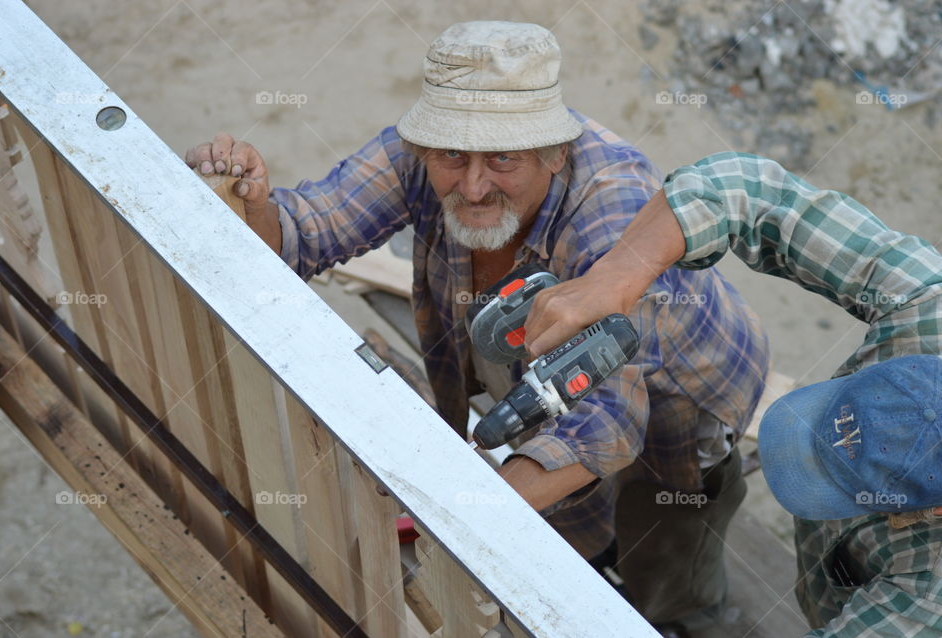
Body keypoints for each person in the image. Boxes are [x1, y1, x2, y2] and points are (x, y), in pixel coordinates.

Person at [185, 23, 769, 635]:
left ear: (556, 152)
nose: (472, 186)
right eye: (452, 156)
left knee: (672, 549)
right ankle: (588, 564)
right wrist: (251, 208)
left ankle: (687, 619)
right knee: (571, 526)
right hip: (559, 381)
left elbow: (607, 421)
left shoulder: (611, 212)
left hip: (685, 388)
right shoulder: (424, 153)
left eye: (504, 160)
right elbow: (310, 230)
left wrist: (473, 513)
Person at [524, 150, 942, 636]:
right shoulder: (929, 314)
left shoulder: (928, 598)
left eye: (839, 482)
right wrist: (616, 276)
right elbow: (745, 188)